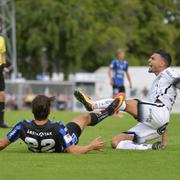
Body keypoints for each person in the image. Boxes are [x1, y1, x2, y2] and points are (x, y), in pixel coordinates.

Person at [74, 49, 179, 150]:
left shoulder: (168, 72)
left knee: (124, 103)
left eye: (153, 58)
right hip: (158, 125)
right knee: (116, 142)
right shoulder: (159, 81)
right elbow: (162, 115)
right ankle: (151, 147)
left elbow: (161, 110)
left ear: (162, 64)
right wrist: (164, 142)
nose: (149, 60)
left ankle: (93, 105)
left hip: (159, 115)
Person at [0, 94, 122, 153]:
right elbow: (72, 151)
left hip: (42, 145)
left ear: (32, 111)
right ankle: (108, 111)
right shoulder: (58, 127)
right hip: (63, 145)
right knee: (84, 118)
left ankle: (107, 110)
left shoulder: (21, 126)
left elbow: (1, 144)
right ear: (49, 111)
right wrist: (91, 146)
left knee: (82, 119)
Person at [0, 35, 9, 128]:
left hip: (0, 69)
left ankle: (1, 121)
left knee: (2, 95)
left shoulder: (2, 39)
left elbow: (2, 55)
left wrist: (4, 67)